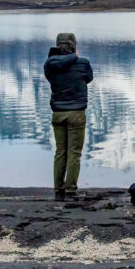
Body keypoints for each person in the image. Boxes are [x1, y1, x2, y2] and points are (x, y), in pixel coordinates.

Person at [43, 32, 94, 201]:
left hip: (57, 113)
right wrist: (75, 58)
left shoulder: (49, 65)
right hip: (77, 113)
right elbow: (88, 78)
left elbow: (52, 77)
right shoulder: (83, 63)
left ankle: (58, 189)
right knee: (74, 153)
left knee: (60, 152)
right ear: (74, 45)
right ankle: (70, 190)